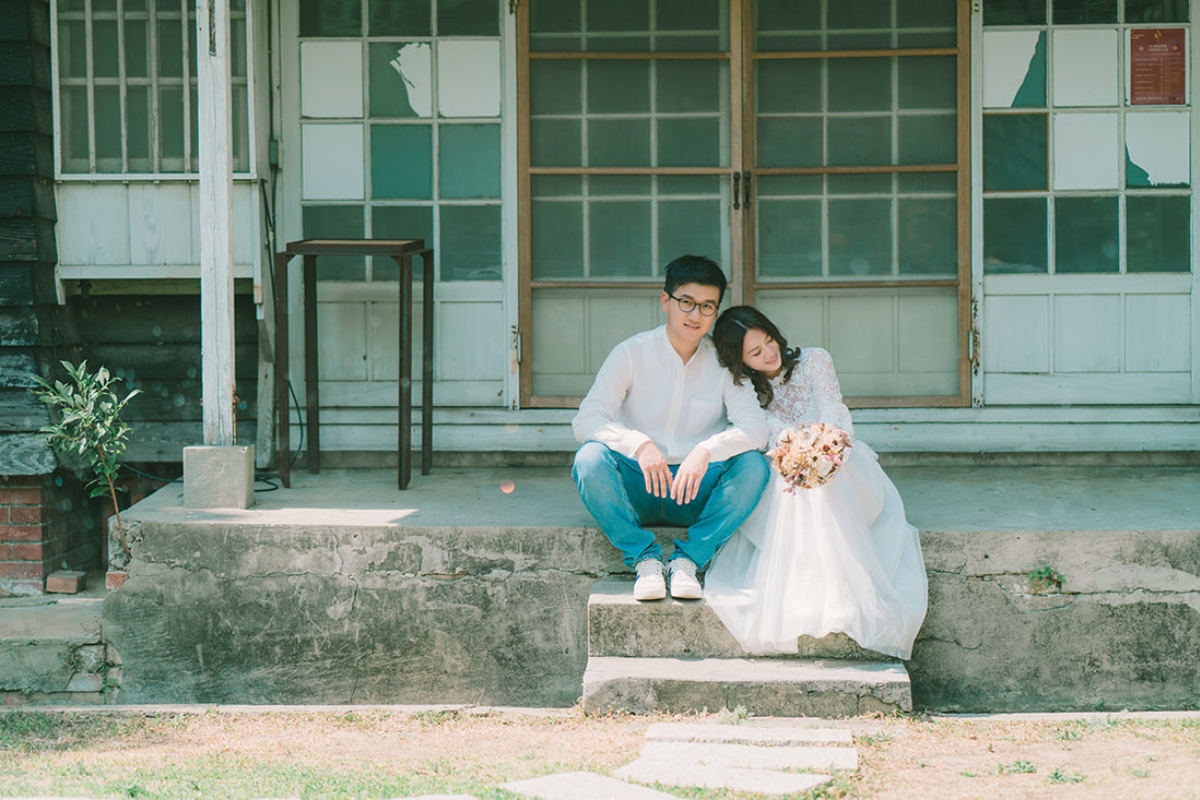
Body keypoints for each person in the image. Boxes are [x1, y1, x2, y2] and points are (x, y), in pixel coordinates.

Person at [704, 305, 927, 659]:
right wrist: (800, 458)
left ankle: (848, 593)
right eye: (756, 352)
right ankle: (822, 598)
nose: (769, 352)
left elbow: (833, 407)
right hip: (788, 470)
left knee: (828, 483)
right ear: (741, 361)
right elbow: (770, 434)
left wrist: (830, 446)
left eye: (769, 340)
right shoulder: (743, 390)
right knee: (801, 488)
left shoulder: (814, 360)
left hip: (844, 461)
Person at [572, 256, 771, 602]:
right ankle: (645, 559)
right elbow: (587, 419)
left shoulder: (723, 364)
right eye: (686, 303)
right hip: (638, 483)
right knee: (589, 460)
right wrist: (638, 445)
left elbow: (755, 429)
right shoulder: (631, 354)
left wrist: (706, 450)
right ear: (666, 301)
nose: (696, 316)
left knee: (754, 465)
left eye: (707, 307)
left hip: (696, 487)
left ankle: (688, 560)